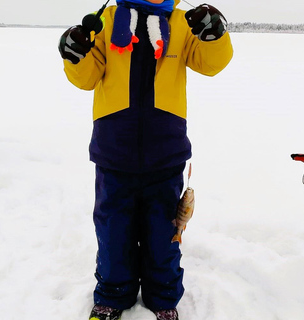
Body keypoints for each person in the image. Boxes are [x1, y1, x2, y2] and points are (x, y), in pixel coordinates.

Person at [58, 0, 233, 319]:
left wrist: (215, 34)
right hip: (114, 152)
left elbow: (211, 63)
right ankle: (112, 295)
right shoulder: (107, 20)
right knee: (114, 232)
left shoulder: (183, 22)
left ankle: (164, 298)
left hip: (165, 154)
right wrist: (76, 52)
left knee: (163, 234)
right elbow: (85, 78)